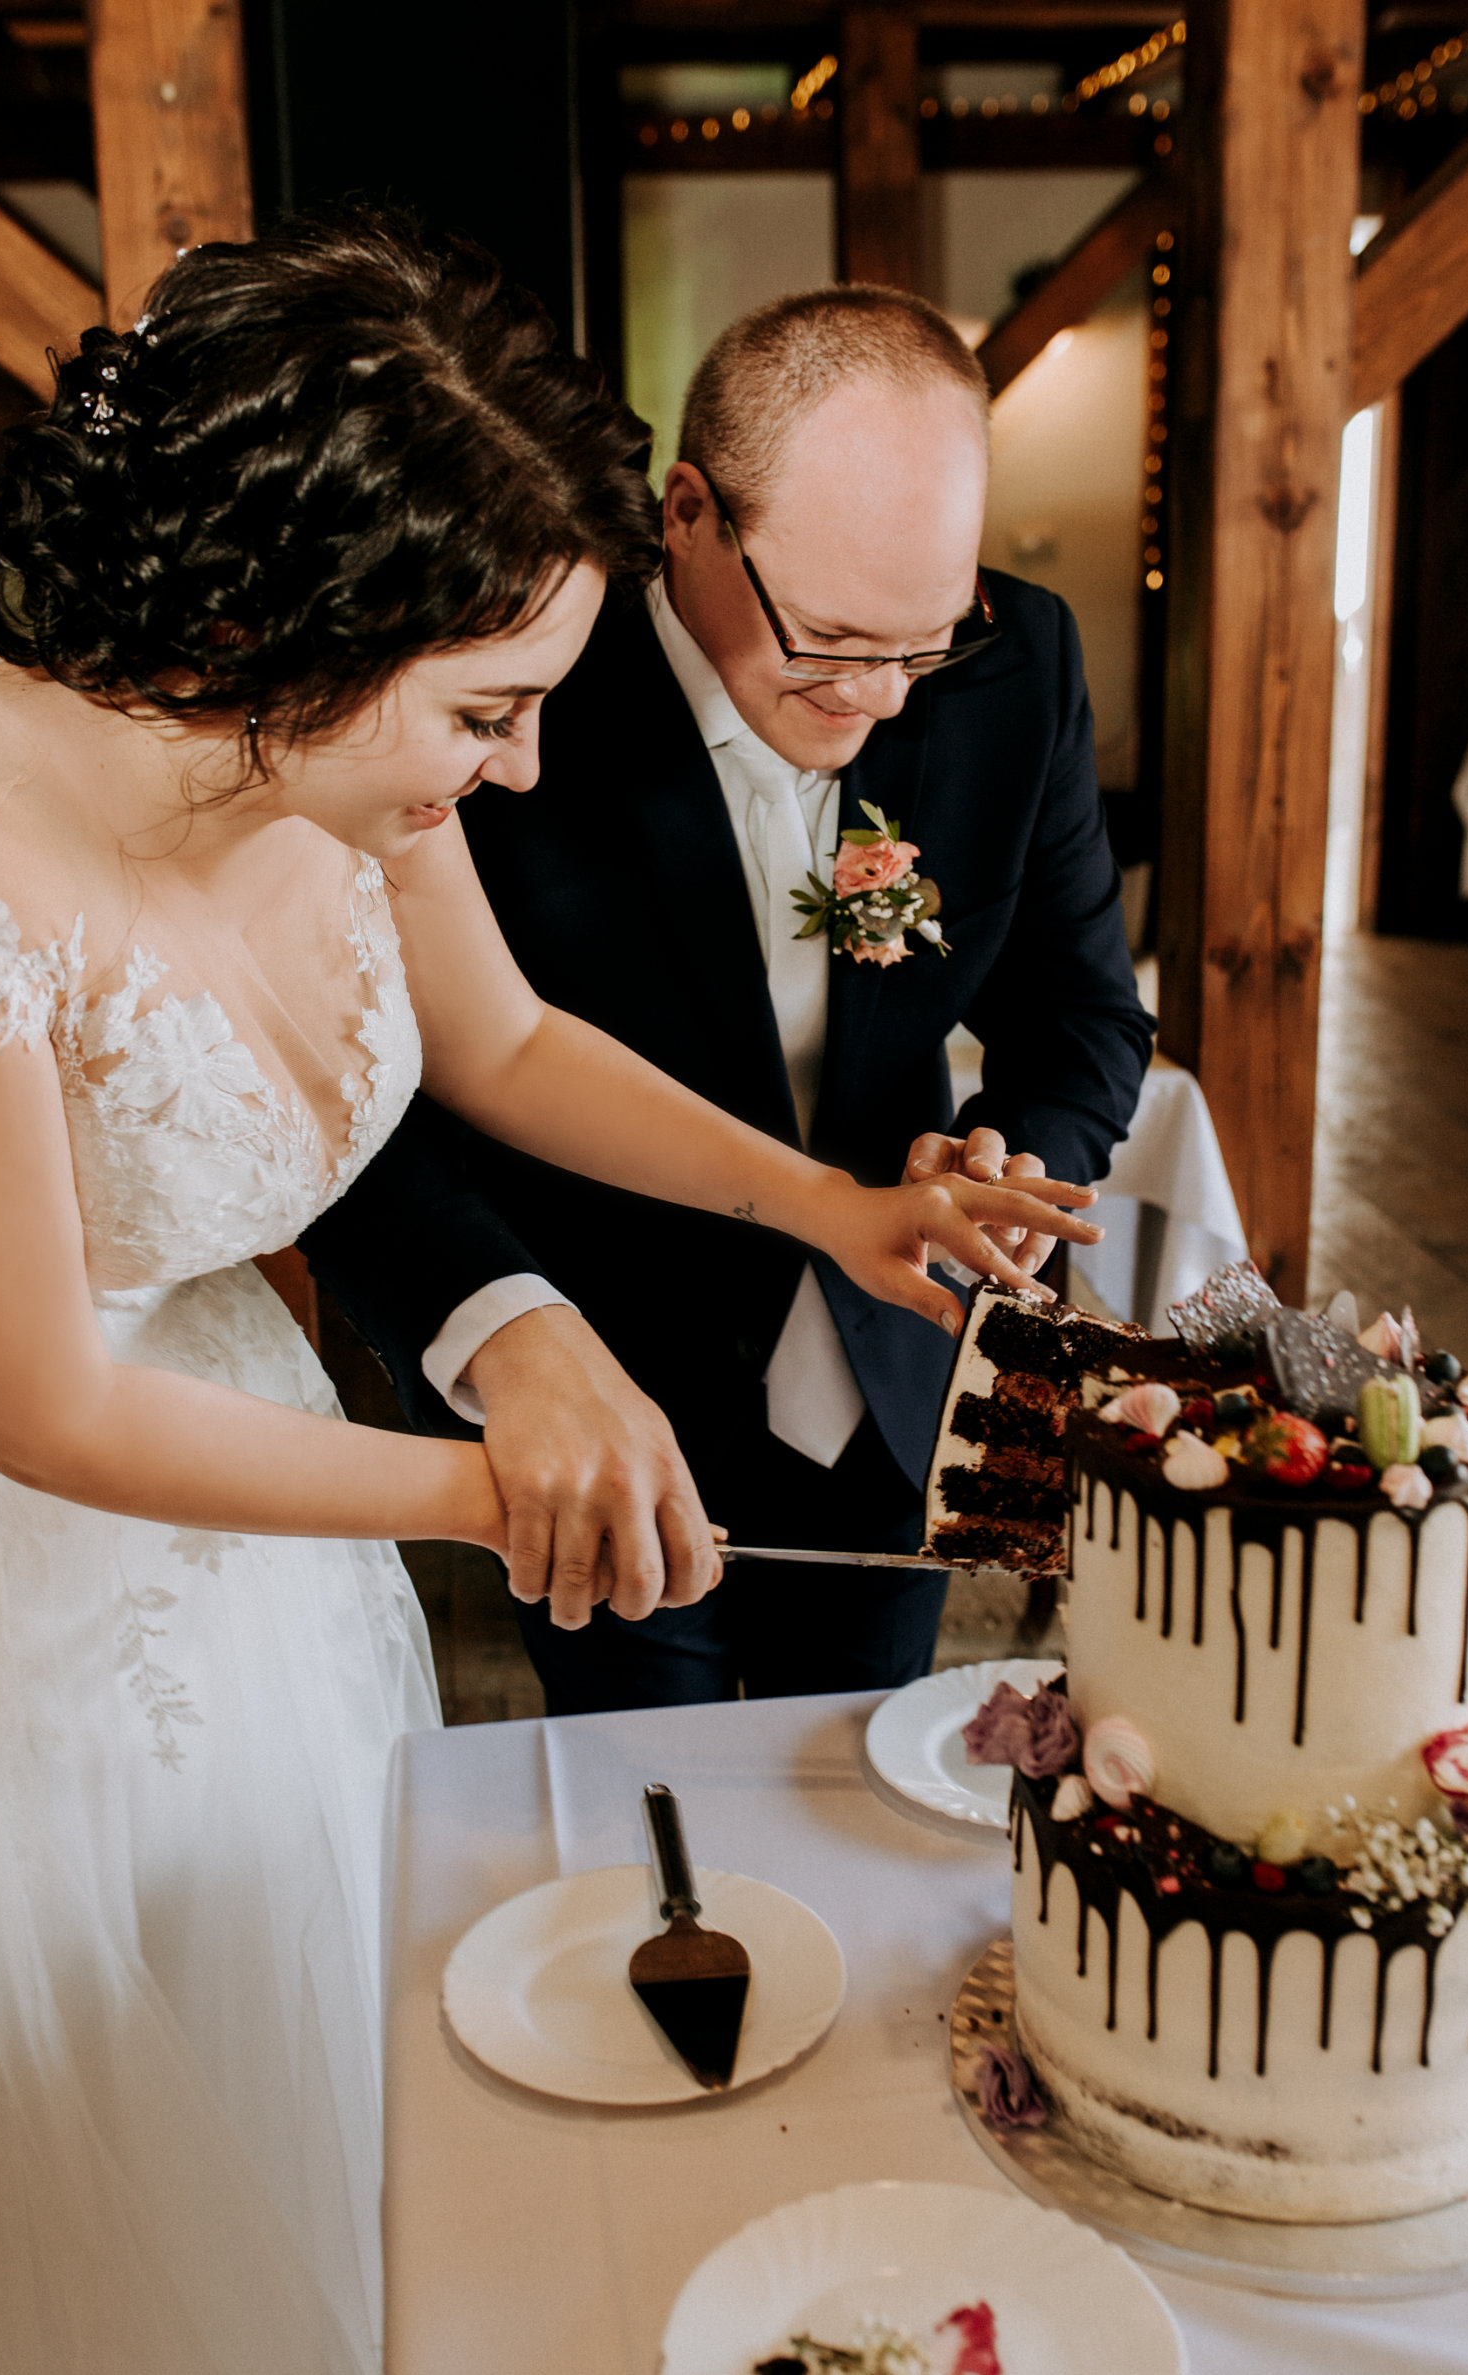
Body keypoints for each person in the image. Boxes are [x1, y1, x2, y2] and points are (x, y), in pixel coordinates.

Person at [0, 216, 1100, 2371]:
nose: (521, 770)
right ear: (278, 629)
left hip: (253, 1497)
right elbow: (38, 1406)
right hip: (13, 1541)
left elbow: (507, 1043)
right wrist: (485, 1485)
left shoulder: (338, 733)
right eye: (491, 714)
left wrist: (821, 1203)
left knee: (316, 2047)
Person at [305, 285, 1154, 1715]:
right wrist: (507, 1326)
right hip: (609, 1376)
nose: (882, 698)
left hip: (897, 1376)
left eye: (925, 641)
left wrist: (1012, 1162)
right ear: (690, 513)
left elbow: (1084, 1013)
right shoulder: (506, 688)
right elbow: (395, 1076)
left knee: (867, 1771)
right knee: (648, 1803)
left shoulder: (1020, 666)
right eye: (828, 639)